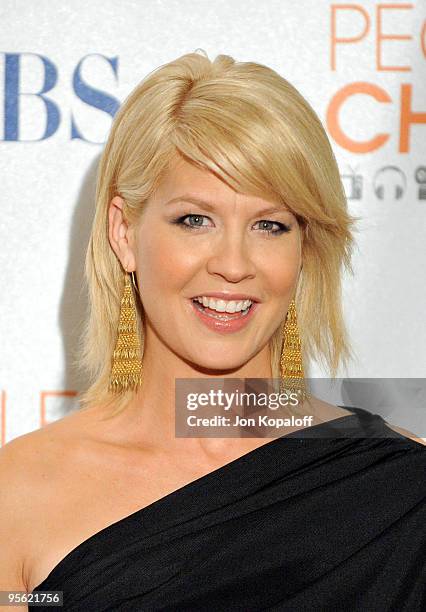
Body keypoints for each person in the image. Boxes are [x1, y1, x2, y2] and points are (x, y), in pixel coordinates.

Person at [0, 50, 424, 611]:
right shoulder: (20, 492)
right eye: (194, 220)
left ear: (304, 250)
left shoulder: (404, 489)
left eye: (270, 225)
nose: (233, 262)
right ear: (124, 233)